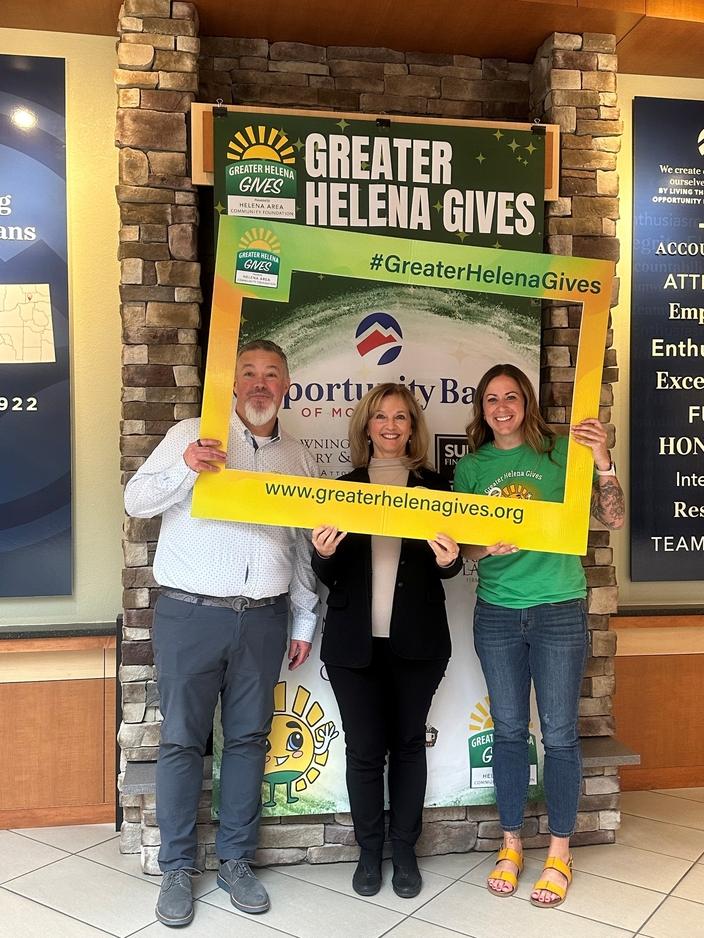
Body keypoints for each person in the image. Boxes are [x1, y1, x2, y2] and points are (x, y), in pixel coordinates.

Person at [124, 339, 319, 928]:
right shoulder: (192, 436)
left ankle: (236, 861)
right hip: (191, 614)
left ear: (288, 387)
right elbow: (136, 499)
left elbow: (304, 547)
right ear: (233, 384)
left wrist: (305, 617)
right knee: (183, 742)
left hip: (263, 618)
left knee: (249, 742)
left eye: (272, 376)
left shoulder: (300, 457)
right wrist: (185, 472)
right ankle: (178, 867)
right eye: (250, 374)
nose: (261, 385)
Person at [453, 363, 624, 909]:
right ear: (481, 409)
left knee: (559, 735)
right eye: (490, 399)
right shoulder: (473, 467)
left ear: (526, 402)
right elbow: (463, 555)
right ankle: (510, 845)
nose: (501, 408)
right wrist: (487, 549)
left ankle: (558, 850)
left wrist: (601, 460)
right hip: (499, 614)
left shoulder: (559, 453)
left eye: (511, 397)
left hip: (558, 611)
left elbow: (612, 518)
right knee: (507, 731)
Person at [311, 383, 462, 899]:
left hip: (418, 644)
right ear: (366, 426)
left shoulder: (438, 489)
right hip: (354, 647)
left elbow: (451, 566)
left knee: (407, 747)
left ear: (412, 427)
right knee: (364, 752)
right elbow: (327, 575)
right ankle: (369, 851)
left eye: (400, 416)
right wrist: (324, 555)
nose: (391, 425)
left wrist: (449, 560)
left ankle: (404, 851)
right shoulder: (343, 487)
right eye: (380, 416)